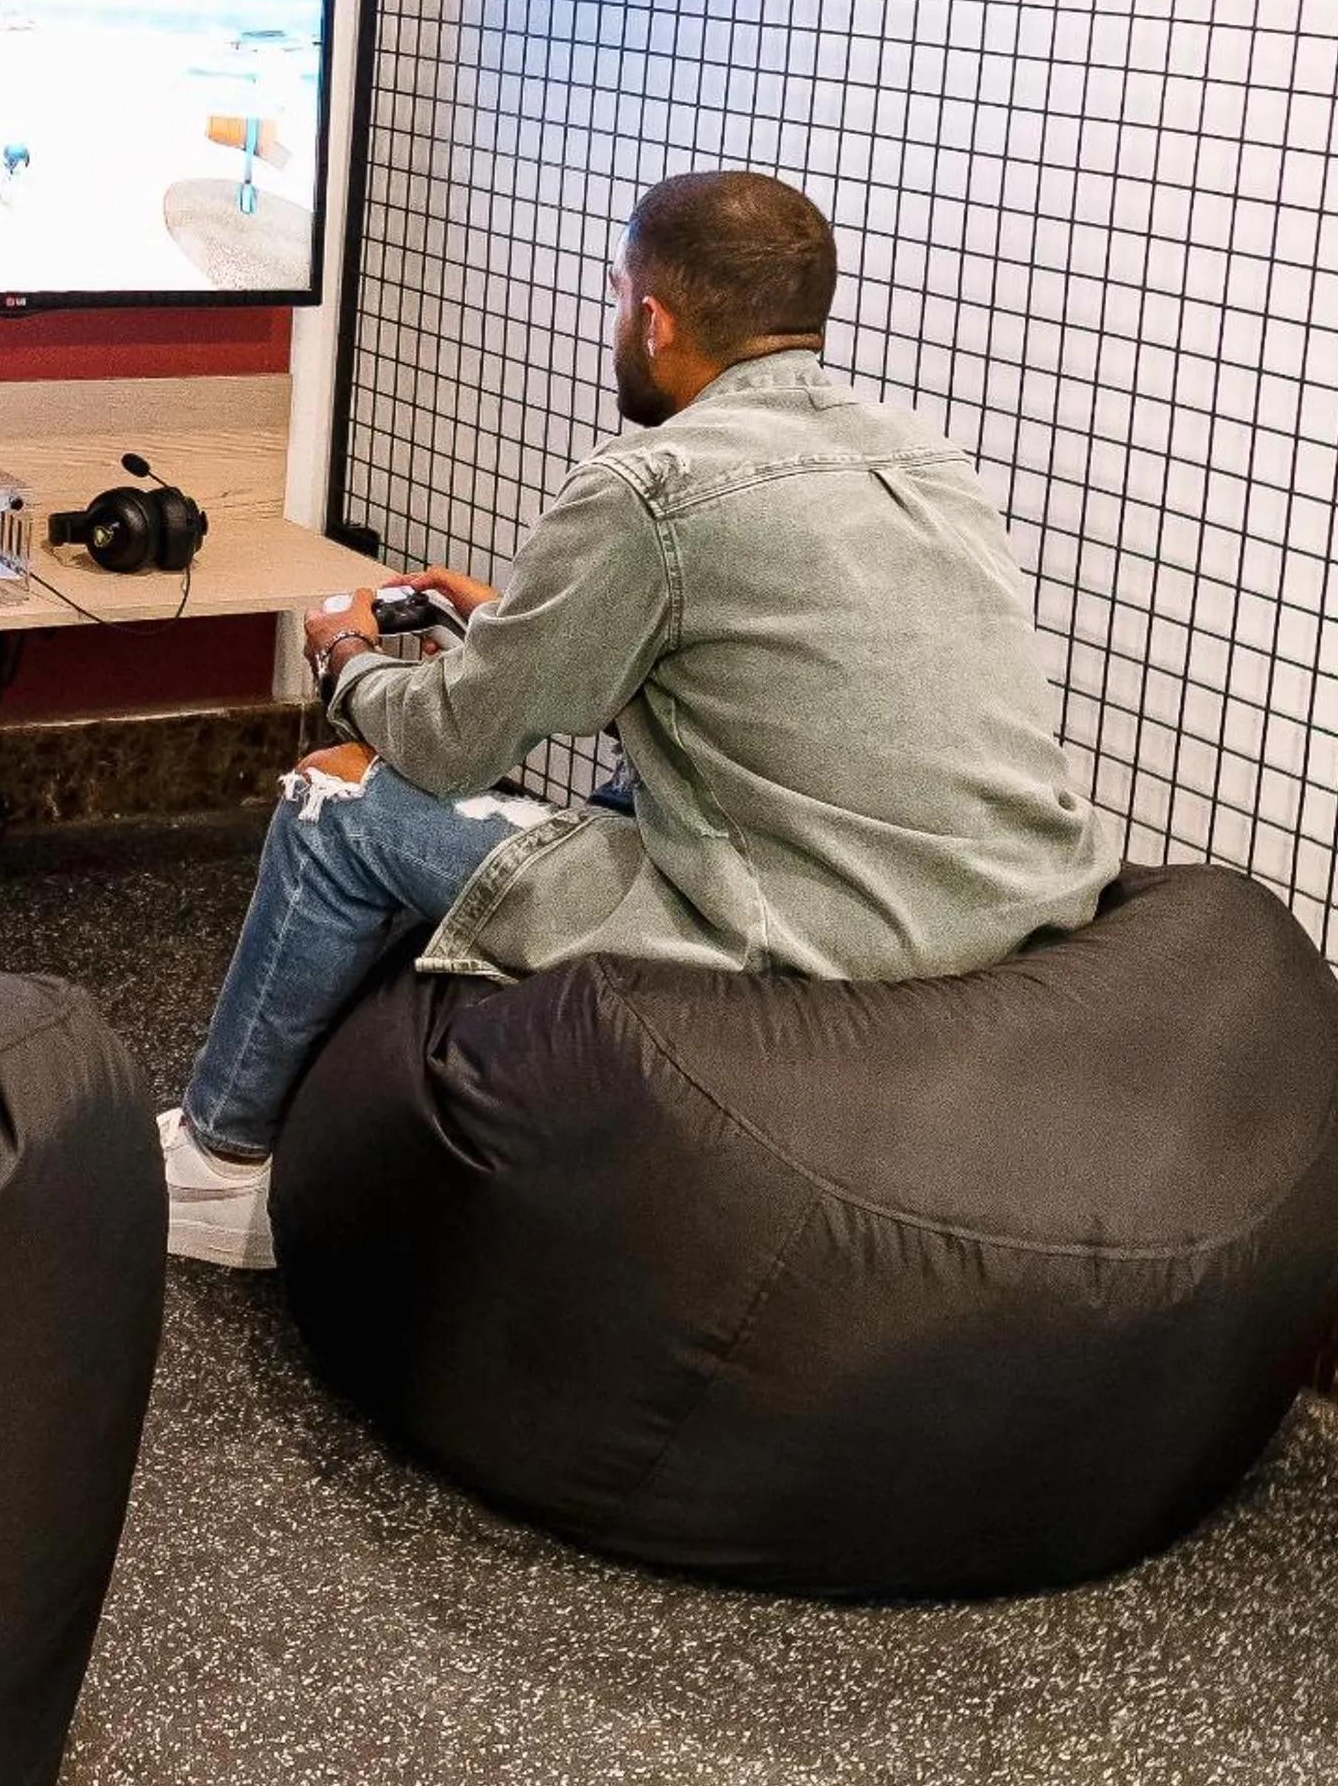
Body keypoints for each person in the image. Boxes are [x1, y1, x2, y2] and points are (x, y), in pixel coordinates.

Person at [161, 169, 1122, 1267]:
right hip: (1008, 903)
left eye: (617, 296)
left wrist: (340, 656)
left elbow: (445, 742)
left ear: (653, 319)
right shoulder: (922, 456)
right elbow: (775, 684)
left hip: (814, 930)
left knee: (337, 795)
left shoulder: (648, 482)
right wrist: (518, 625)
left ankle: (221, 1166)